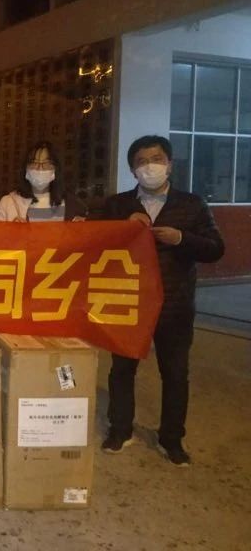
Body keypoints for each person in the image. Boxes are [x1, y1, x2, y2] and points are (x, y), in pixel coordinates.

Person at [101, 135, 224, 467]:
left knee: (175, 372)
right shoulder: (118, 205)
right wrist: (123, 227)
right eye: (141, 162)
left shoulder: (192, 204)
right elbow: (95, 241)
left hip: (175, 303)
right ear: (132, 169)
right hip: (129, 302)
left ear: (169, 164)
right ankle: (120, 430)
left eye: (156, 159)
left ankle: (171, 438)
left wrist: (181, 238)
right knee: (122, 370)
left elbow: (215, 248)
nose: (149, 167)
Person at [0, 141, 87, 222]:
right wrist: (12, 232)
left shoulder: (73, 204)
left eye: (46, 163)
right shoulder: (8, 203)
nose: (40, 168)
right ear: (25, 168)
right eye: (34, 163)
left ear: (56, 168)